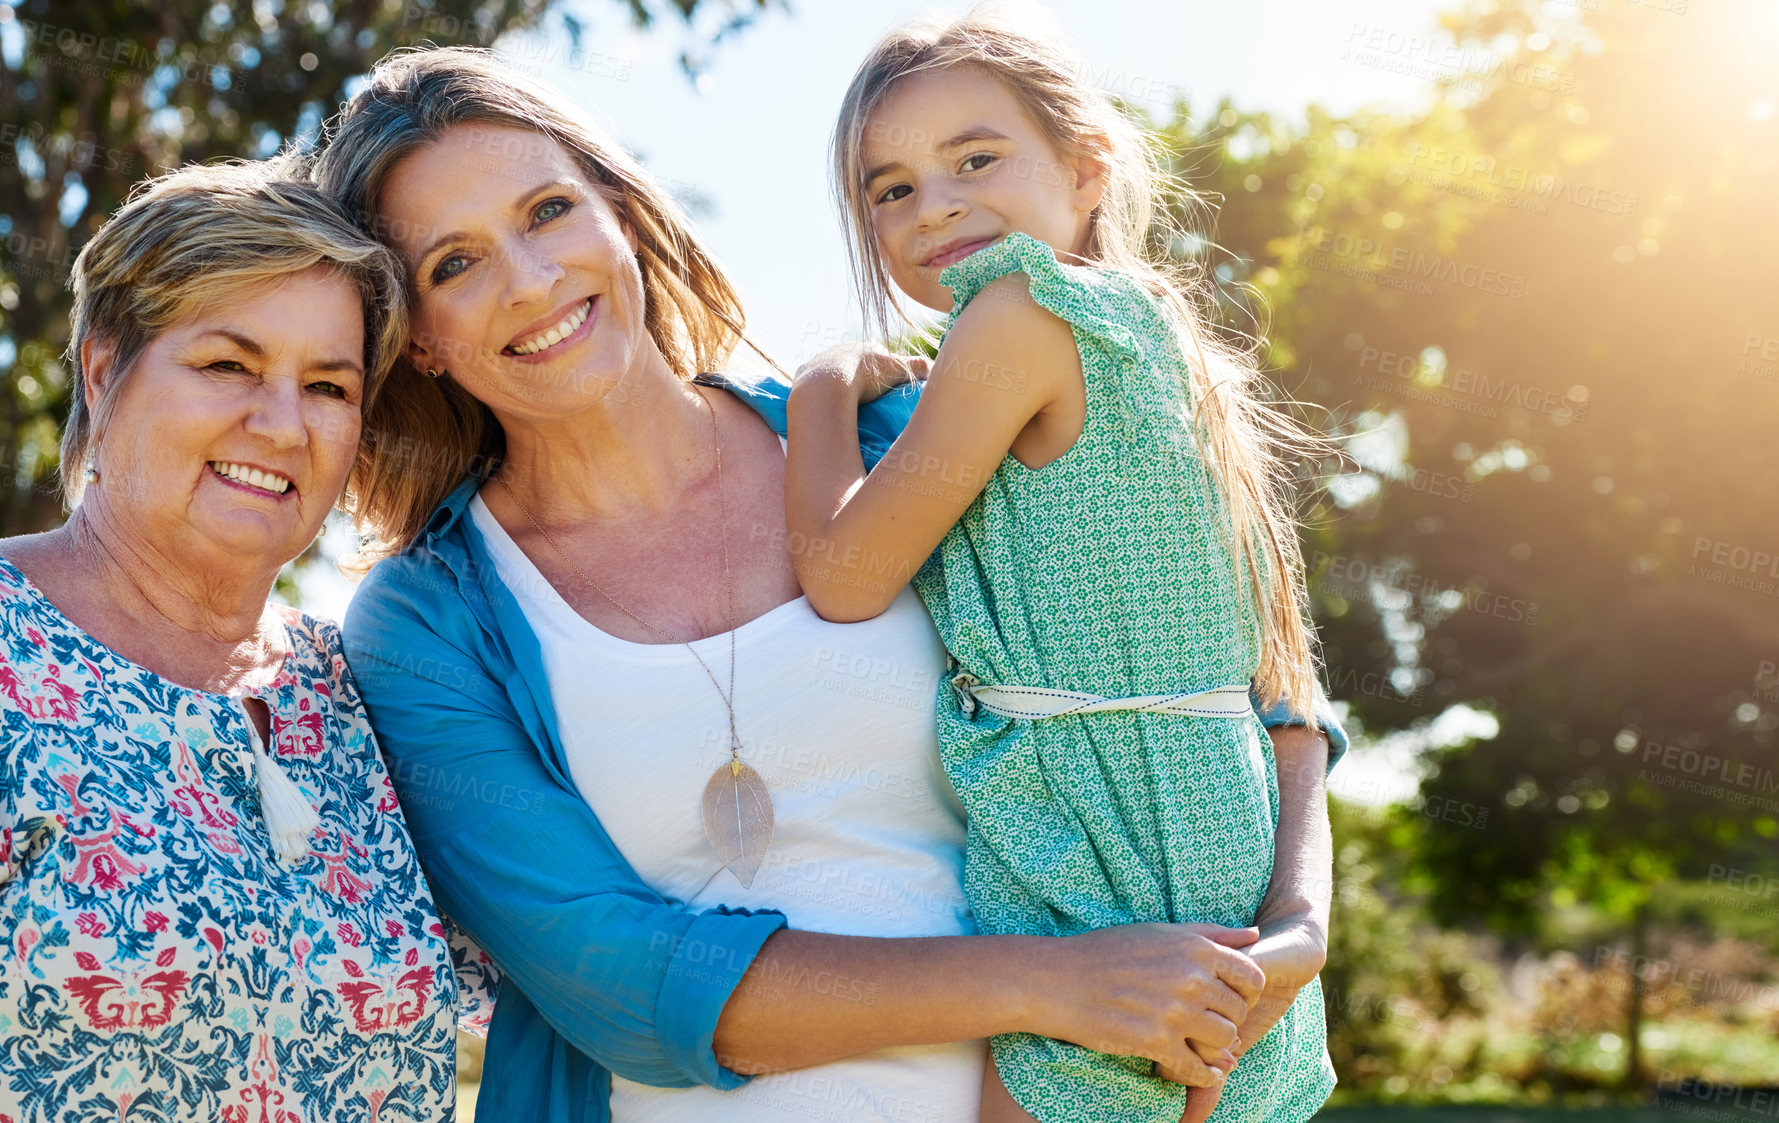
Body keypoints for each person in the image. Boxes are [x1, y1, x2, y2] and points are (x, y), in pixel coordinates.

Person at [316, 45, 1341, 1123]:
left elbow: (1258, 678)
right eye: (454, 264)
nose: (530, 280)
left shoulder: (909, 445)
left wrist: (1297, 926)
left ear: (620, 213)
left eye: (549, 211)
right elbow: (611, 975)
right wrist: (1057, 982)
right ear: (417, 338)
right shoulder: (426, 620)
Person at [781, 11, 1338, 1122]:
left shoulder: (1021, 312)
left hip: (1109, 881)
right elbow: (1292, 704)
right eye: (888, 189)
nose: (931, 204)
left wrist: (823, 388)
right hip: (1232, 880)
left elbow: (842, 576)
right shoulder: (1170, 349)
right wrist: (1303, 926)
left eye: (974, 159)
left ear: (1089, 169)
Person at [0, 160, 485, 1120]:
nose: (280, 424)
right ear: (103, 372)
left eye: (328, 386)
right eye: (228, 364)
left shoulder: (368, 690)